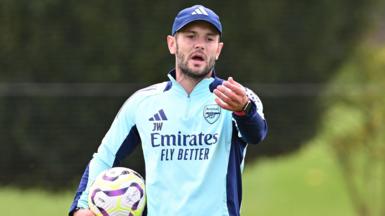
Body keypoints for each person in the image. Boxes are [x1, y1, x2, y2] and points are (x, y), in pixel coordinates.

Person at [69, 4, 267, 216]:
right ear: (172, 44)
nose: (200, 45)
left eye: (209, 39)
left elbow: (256, 134)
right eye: (191, 36)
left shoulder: (236, 97)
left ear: (218, 49)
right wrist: (80, 207)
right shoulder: (143, 102)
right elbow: (104, 157)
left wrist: (244, 109)